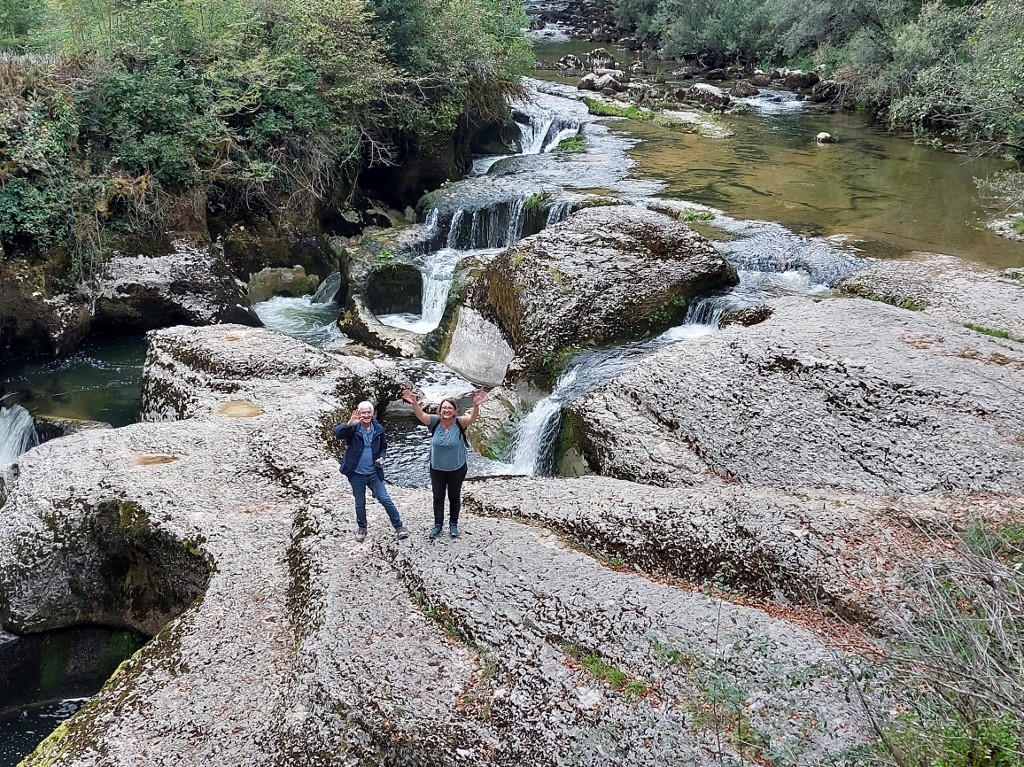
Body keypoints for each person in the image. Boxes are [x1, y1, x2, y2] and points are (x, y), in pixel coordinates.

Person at [401, 388, 488, 539]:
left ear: (454, 411)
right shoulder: (434, 422)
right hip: (437, 469)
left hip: (456, 468)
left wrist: (476, 406)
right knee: (438, 497)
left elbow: (472, 418)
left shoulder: (460, 423)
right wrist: (414, 403)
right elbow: (420, 415)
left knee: (454, 497)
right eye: (444, 408)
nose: (446, 410)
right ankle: (438, 525)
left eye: (449, 408)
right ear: (440, 410)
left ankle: (453, 524)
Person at [333, 400, 409, 543]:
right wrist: (349, 423)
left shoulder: (378, 429)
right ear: (359, 413)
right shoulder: (353, 429)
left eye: (369, 412)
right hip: (356, 474)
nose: (366, 415)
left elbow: (383, 447)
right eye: (363, 412)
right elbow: (337, 433)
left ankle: (399, 527)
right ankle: (362, 527)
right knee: (360, 502)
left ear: (373, 413)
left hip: (374, 473)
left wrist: (382, 457)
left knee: (385, 499)